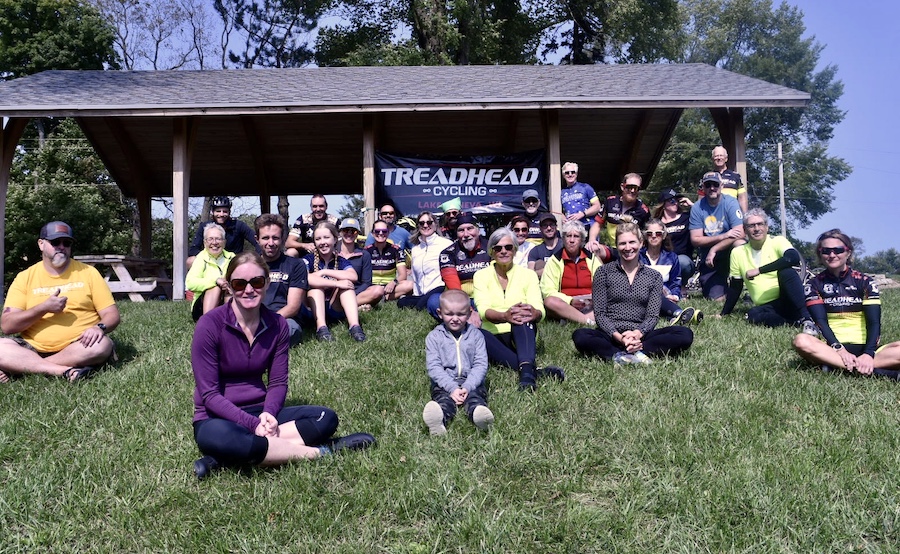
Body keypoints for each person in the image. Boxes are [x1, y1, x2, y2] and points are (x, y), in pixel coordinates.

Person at [190, 252, 375, 479]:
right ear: (229, 286)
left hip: (261, 411)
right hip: (216, 418)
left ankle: (226, 457)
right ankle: (323, 451)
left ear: (267, 283)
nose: (249, 290)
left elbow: (277, 382)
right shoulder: (209, 325)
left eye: (257, 282)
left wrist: (267, 413)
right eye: (239, 284)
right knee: (230, 438)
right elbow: (209, 394)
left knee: (325, 418)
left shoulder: (277, 324)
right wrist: (251, 424)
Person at [0, 221, 120, 383]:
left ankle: (21, 370)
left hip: (79, 345)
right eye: (55, 242)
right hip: (32, 348)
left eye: (67, 243)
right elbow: (7, 326)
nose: (62, 247)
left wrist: (99, 328)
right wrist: (43, 308)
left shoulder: (88, 273)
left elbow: (111, 314)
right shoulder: (25, 277)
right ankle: (64, 370)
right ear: (41, 244)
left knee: (101, 345)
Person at [572, 218, 694, 365]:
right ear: (617, 245)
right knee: (580, 335)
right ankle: (623, 354)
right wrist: (620, 337)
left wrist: (637, 334)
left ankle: (633, 352)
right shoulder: (603, 272)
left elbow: (653, 316)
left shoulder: (653, 276)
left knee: (685, 334)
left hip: (641, 335)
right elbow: (600, 314)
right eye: (622, 243)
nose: (627, 247)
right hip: (611, 334)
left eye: (632, 242)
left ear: (641, 243)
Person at [793, 229, 900, 379]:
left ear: (848, 252)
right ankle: (879, 372)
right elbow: (820, 322)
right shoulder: (813, 284)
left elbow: (874, 322)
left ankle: (834, 367)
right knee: (801, 341)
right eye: (826, 251)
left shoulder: (865, 281)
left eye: (838, 250)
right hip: (832, 349)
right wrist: (839, 349)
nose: (832, 255)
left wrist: (869, 353)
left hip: (867, 348)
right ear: (820, 254)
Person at [473, 227, 565, 391]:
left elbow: (539, 309)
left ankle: (527, 377)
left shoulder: (528, 275)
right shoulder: (481, 275)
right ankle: (531, 371)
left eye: (508, 247)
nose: (503, 251)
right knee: (474, 333)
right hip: (493, 334)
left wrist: (533, 312)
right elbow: (482, 310)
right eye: (498, 248)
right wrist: (504, 316)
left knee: (522, 317)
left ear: (515, 250)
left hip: (522, 333)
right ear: (491, 251)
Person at [719, 209, 816, 331]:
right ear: (745, 230)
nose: (756, 228)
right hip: (768, 305)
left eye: (760, 224)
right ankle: (795, 323)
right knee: (752, 315)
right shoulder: (737, 252)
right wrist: (724, 313)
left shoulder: (777, 241)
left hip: (789, 299)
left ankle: (807, 318)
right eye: (751, 225)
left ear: (767, 227)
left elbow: (793, 258)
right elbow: (735, 286)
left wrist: (759, 270)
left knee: (786, 271)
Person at [421, 289, 494, 436]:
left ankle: (479, 416)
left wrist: (468, 386)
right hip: (445, 383)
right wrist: (452, 387)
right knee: (444, 401)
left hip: (471, 381)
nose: (455, 318)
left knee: (475, 398)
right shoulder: (434, 337)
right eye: (449, 314)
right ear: (440, 313)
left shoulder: (476, 336)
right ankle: (439, 421)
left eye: (461, 314)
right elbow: (434, 367)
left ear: (469, 313)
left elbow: (480, 364)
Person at [300, 221, 367, 342]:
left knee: (347, 285)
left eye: (326, 237)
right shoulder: (308, 259)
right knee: (316, 288)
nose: (323, 242)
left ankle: (355, 327)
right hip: (311, 309)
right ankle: (321, 329)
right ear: (314, 242)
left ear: (335, 240)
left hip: (333, 307)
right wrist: (335, 283)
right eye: (318, 239)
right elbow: (305, 277)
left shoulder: (340, 260)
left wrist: (324, 272)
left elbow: (353, 276)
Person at [541, 220, 608, 326]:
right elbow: (547, 291)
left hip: (590, 304)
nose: (572, 240)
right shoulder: (555, 260)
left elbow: (603, 284)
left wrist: (593, 299)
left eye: (576, 236)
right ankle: (587, 321)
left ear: (581, 239)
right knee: (549, 301)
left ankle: (572, 319)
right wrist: (570, 300)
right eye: (568, 236)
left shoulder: (592, 259)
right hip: (566, 305)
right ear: (563, 238)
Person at [689, 171, 745, 300]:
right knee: (716, 298)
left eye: (715, 184)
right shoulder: (697, 208)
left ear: (721, 186)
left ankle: (750, 287)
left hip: (728, 248)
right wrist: (723, 236)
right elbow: (695, 240)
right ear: (703, 188)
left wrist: (715, 248)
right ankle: (724, 290)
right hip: (710, 257)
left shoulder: (730, 202)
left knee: (740, 245)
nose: (712, 188)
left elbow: (740, 232)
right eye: (708, 185)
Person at [255, 213, 308, 347]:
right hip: (253, 317)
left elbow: (293, 307)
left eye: (275, 238)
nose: (271, 243)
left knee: (291, 331)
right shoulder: (249, 265)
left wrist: (267, 322)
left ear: (283, 239)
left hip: (283, 319)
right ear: (257, 239)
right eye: (265, 238)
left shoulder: (296, 265)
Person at [432, 212, 491, 323]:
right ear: (456, 233)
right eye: (461, 230)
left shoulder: (491, 247)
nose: (466, 234)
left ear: (478, 230)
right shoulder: (447, 253)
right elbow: (452, 283)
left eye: (470, 228)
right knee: (433, 301)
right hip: (459, 299)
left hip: (486, 297)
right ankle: (465, 320)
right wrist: (468, 309)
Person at [640, 219, 700, 325]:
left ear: (664, 236)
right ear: (645, 235)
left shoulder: (672, 257)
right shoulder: (638, 257)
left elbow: (675, 282)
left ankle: (674, 318)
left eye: (658, 233)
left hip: (665, 297)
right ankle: (679, 313)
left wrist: (675, 296)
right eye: (650, 234)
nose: (654, 236)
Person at [398, 211, 453, 312]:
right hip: (422, 294)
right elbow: (415, 277)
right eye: (422, 223)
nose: (425, 225)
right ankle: (422, 302)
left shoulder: (446, 244)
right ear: (418, 226)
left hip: (440, 289)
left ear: (435, 224)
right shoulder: (415, 249)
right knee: (402, 302)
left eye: (429, 222)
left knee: (420, 306)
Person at [186, 196, 260, 269]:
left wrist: (257, 256)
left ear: (229, 212)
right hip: (211, 262)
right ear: (212, 212)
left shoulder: (238, 225)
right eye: (218, 211)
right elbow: (193, 250)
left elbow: (257, 241)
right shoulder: (205, 227)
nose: (221, 214)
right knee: (190, 260)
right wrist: (207, 258)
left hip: (234, 262)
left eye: (225, 211)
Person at [186, 223, 236, 322]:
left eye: (218, 239)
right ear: (205, 242)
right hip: (202, 307)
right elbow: (190, 283)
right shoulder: (201, 258)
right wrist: (216, 281)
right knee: (215, 288)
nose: (214, 243)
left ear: (224, 242)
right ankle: (207, 323)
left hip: (226, 299)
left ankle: (231, 322)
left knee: (230, 289)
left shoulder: (232, 257)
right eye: (210, 239)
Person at [588, 173, 650, 248]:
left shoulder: (643, 211)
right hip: (612, 248)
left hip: (631, 250)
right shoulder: (610, 202)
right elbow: (598, 224)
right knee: (594, 249)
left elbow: (647, 235)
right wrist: (592, 240)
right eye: (629, 187)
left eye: (636, 188)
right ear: (622, 187)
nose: (633, 190)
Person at [653, 188, 694, 286]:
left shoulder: (686, 217)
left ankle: (682, 287)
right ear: (663, 204)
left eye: (677, 200)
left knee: (683, 262)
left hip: (682, 259)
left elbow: (704, 214)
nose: (675, 203)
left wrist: (692, 205)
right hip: (662, 260)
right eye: (671, 200)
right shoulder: (656, 222)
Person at [337, 217, 380, 311]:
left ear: (357, 234)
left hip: (357, 292)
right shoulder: (333, 252)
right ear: (340, 232)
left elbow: (367, 282)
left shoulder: (364, 255)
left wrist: (353, 293)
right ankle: (353, 306)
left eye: (353, 231)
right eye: (345, 230)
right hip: (335, 291)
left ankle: (344, 306)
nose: (349, 233)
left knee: (378, 290)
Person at [366, 219, 414, 302]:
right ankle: (383, 297)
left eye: (384, 231)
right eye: (377, 231)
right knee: (374, 290)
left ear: (388, 233)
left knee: (410, 285)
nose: (381, 233)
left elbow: (403, 275)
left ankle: (380, 298)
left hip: (390, 287)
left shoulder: (396, 250)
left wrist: (393, 282)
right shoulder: (366, 251)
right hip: (372, 286)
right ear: (372, 234)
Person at [560, 161, 601, 229]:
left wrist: (582, 214)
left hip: (587, 225)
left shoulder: (586, 187)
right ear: (563, 175)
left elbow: (597, 206)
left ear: (576, 174)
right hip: (571, 228)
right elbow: (558, 211)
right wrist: (563, 218)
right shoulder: (561, 192)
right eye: (567, 173)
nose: (570, 174)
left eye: (573, 172)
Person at [712, 146, 749, 213]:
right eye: (716, 156)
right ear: (713, 159)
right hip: (713, 213)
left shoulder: (735, 176)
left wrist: (745, 215)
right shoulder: (708, 177)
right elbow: (701, 197)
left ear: (726, 158)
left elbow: (742, 197)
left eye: (721, 156)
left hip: (732, 212)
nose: (719, 158)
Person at [527, 212, 562, 277]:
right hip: (543, 285)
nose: (549, 228)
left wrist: (543, 271)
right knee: (539, 263)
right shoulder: (535, 251)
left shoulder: (565, 247)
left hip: (564, 284)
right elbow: (530, 275)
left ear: (556, 227)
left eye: (551, 225)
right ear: (540, 229)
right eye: (545, 225)